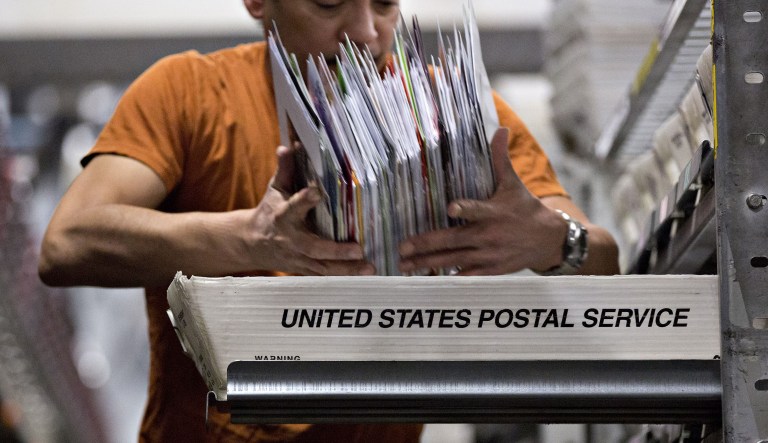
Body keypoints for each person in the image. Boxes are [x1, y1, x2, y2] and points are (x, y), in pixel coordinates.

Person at [39, 0, 620, 441]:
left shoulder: (456, 119)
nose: (367, 31)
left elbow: (602, 259)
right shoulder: (189, 95)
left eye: (386, 2)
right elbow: (68, 243)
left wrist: (553, 240)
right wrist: (252, 240)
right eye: (327, 3)